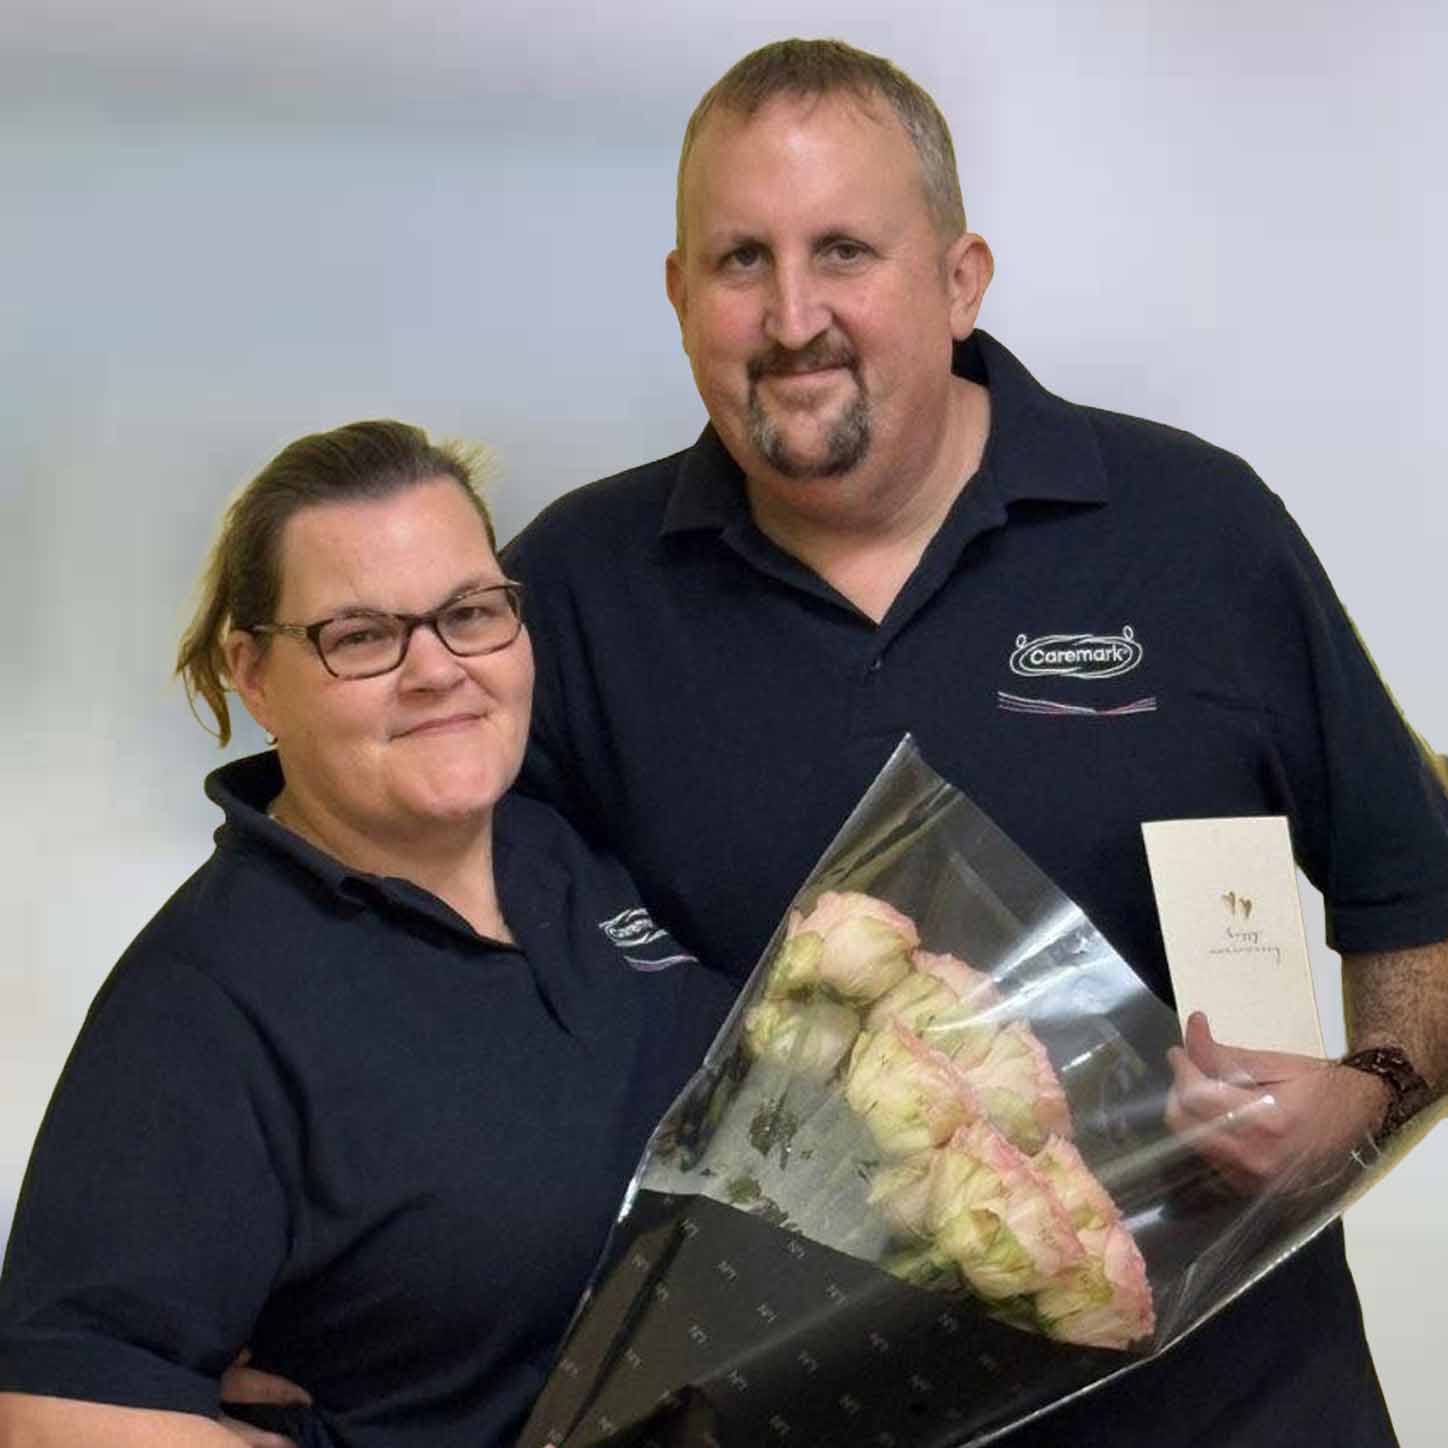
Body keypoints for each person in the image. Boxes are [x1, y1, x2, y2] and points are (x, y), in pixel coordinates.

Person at [501, 38, 1448, 1448]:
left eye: (845, 251)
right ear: (679, 294)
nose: (793, 315)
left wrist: (1360, 1105)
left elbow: (1420, 897)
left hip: (1236, 1412)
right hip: (783, 1421)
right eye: (740, 261)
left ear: (961, 279)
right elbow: (430, 971)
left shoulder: (1194, 530)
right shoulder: (572, 590)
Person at [0, 421, 733, 1447]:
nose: (436, 669)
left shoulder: (557, 849)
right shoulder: (204, 1005)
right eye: (359, 635)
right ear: (252, 674)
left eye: (470, 612)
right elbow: (53, 1416)